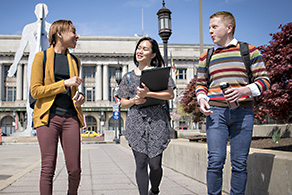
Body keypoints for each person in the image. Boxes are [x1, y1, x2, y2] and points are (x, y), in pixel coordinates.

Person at [195, 11, 270, 195]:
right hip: (216, 113)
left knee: (239, 162)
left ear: (229, 28)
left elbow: (265, 81)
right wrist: (202, 99)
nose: (210, 31)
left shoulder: (249, 51)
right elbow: (200, 84)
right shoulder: (207, 56)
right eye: (209, 28)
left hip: (243, 113)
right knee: (215, 160)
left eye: (214, 27)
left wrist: (244, 90)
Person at [30, 20, 85, 195]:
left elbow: (73, 89)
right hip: (48, 118)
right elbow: (36, 91)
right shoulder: (42, 57)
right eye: (73, 31)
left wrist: (80, 97)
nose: (77, 36)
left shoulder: (75, 61)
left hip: (71, 118)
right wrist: (64, 83)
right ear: (59, 34)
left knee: (75, 169)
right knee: (48, 168)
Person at [117, 37, 175, 195]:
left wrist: (148, 93)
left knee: (155, 165)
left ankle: (154, 190)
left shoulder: (160, 74)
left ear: (153, 54)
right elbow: (122, 102)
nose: (140, 51)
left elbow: (170, 94)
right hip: (136, 121)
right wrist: (134, 100)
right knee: (141, 163)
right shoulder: (128, 77)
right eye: (139, 48)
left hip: (157, 121)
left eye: (145, 49)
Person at [7, 3, 51, 133]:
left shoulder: (51, 28)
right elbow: (21, 48)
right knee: (31, 93)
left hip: (47, 62)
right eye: (39, 10)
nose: (41, 13)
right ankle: (29, 126)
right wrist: (15, 64)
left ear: (47, 12)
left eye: (43, 10)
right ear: (34, 12)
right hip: (33, 61)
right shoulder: (28, 28)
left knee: (47, 92)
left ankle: (44, 124)